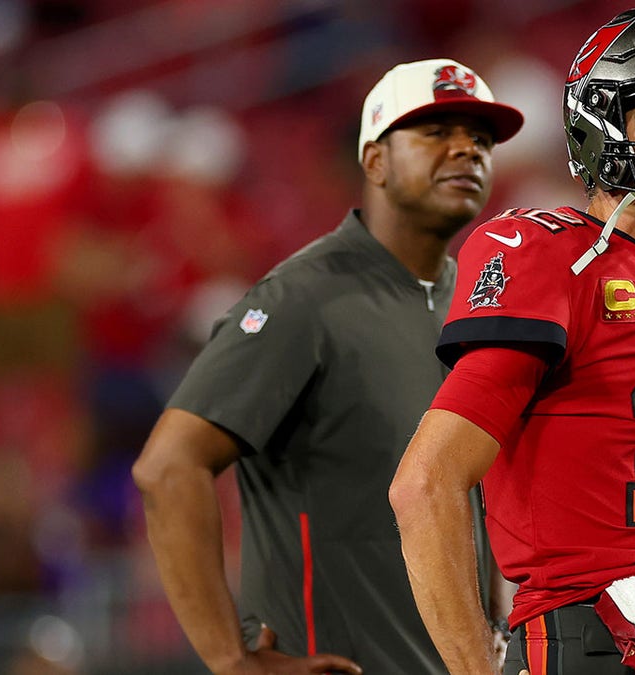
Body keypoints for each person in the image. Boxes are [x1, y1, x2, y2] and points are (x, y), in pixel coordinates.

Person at [390, 7, 635, 675]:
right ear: (600, 127)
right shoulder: (548, 256)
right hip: (591, 626)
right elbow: (425, 482)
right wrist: (473, 666)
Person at [132, 58, 523, 675]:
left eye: (479, 139)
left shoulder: (475, 302)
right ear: (374, 162)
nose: (465, 151)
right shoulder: (303, 298)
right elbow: (169, 466)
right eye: (435, 132)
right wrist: (231, 660)